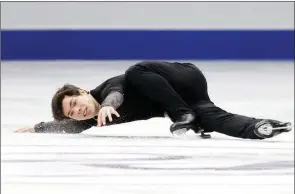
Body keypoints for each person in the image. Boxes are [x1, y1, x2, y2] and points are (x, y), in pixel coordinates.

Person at [15, 61, 292, 139]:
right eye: (73, 113)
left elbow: (117, 91)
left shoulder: (107, 92)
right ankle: (262, 127)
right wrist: (38, 127)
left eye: (75, 103)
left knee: (135, 71)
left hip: (184, 76)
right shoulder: (87, 121)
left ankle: (184, 115)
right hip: (185, 100)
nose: (78, 111)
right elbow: (70, 127)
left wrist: (110, 104)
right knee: (210, 118)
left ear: (84, 92)